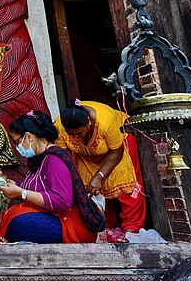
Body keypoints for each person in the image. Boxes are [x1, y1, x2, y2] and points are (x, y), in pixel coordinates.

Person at [0, 111, 105, 243]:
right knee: (12, 217)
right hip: (56, 217)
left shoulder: (54, 159)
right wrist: (13, 185)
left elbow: (62, 201)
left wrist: (21, 193)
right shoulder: (38, 159)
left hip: (70, 224)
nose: (17, 147)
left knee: (17, 223)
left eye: (17, 142)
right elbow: (37, 187)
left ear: (29, 137)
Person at [55, 99, 146, 235]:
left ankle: (132, 229)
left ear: (89, 122)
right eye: (71, 135)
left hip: (119, 145)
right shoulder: (60, 126)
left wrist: (100, 175)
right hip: (84, 153)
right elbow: (65, 156)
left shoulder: (105, 121)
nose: (76, 137)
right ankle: (107, 226)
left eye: (79, 133)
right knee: (91, 188)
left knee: (125, 183)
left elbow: (117, 151)